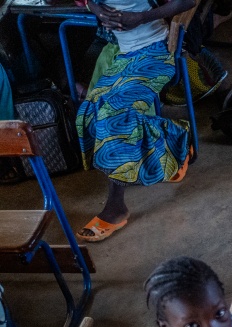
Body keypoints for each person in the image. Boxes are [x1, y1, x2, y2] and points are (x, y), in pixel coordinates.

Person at [74, 0, 196, 242]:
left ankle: (116, 207)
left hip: (156, 51)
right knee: (88, 110)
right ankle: (176, 137)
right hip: (125, 55)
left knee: (113, 118)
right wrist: (96, 9)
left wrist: (142, 17)